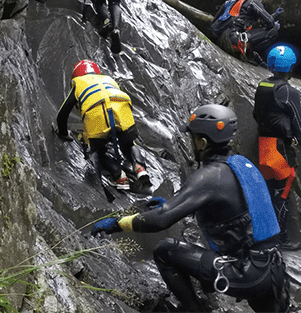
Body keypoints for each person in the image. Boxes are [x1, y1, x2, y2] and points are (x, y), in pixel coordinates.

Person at [91, 104, 289, 313]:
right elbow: (229, 210)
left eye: (193, 138)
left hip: (246, 272)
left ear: (202, 143)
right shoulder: (241, 164)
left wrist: (116, 223)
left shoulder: (210, 175)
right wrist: (177, 204)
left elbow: (161, 220)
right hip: (272, 270)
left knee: (165, 251)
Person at [56, 60, 152, 197]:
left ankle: (119, 175)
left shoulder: (78, 83)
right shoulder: (108, 78)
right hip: (122, 109)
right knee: (128, 144)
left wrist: (63, 133)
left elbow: (63, 113)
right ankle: (140, 168)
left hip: (97, 113)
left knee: (97, 152)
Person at [253, 45, 301, 251]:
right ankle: (280, 239)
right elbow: (297, 122)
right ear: (290, 68)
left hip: (264, 146)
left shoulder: (263, 86)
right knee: (282, 194)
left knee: (269, 193)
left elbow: (255, 115)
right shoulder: (288, 91)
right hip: (280, 149)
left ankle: (263, 235)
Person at [210, 0, 281, 65]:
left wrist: (275, 15)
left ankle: (248, 52)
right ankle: (248, 54)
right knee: (273, 31)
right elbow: (269, 22)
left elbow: (213, 23)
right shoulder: (253, 1)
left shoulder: (235, 1)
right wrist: (275, 24)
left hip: (223, 40)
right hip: (234, 41)